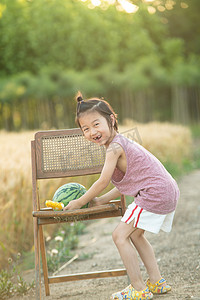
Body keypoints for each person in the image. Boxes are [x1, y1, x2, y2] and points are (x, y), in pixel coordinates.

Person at [64, 92, 180, 300]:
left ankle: (138, 288)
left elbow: (102, 181)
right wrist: (99, 201)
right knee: (135, 234)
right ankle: (156, 282)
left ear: (112, 120)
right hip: (164, 189)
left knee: (119, 235)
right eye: (86, 129)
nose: (92, 132)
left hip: (154, 192)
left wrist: (80, 201)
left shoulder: (115, 148)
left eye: (96, 124)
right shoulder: (119, 143)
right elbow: (129, 182)